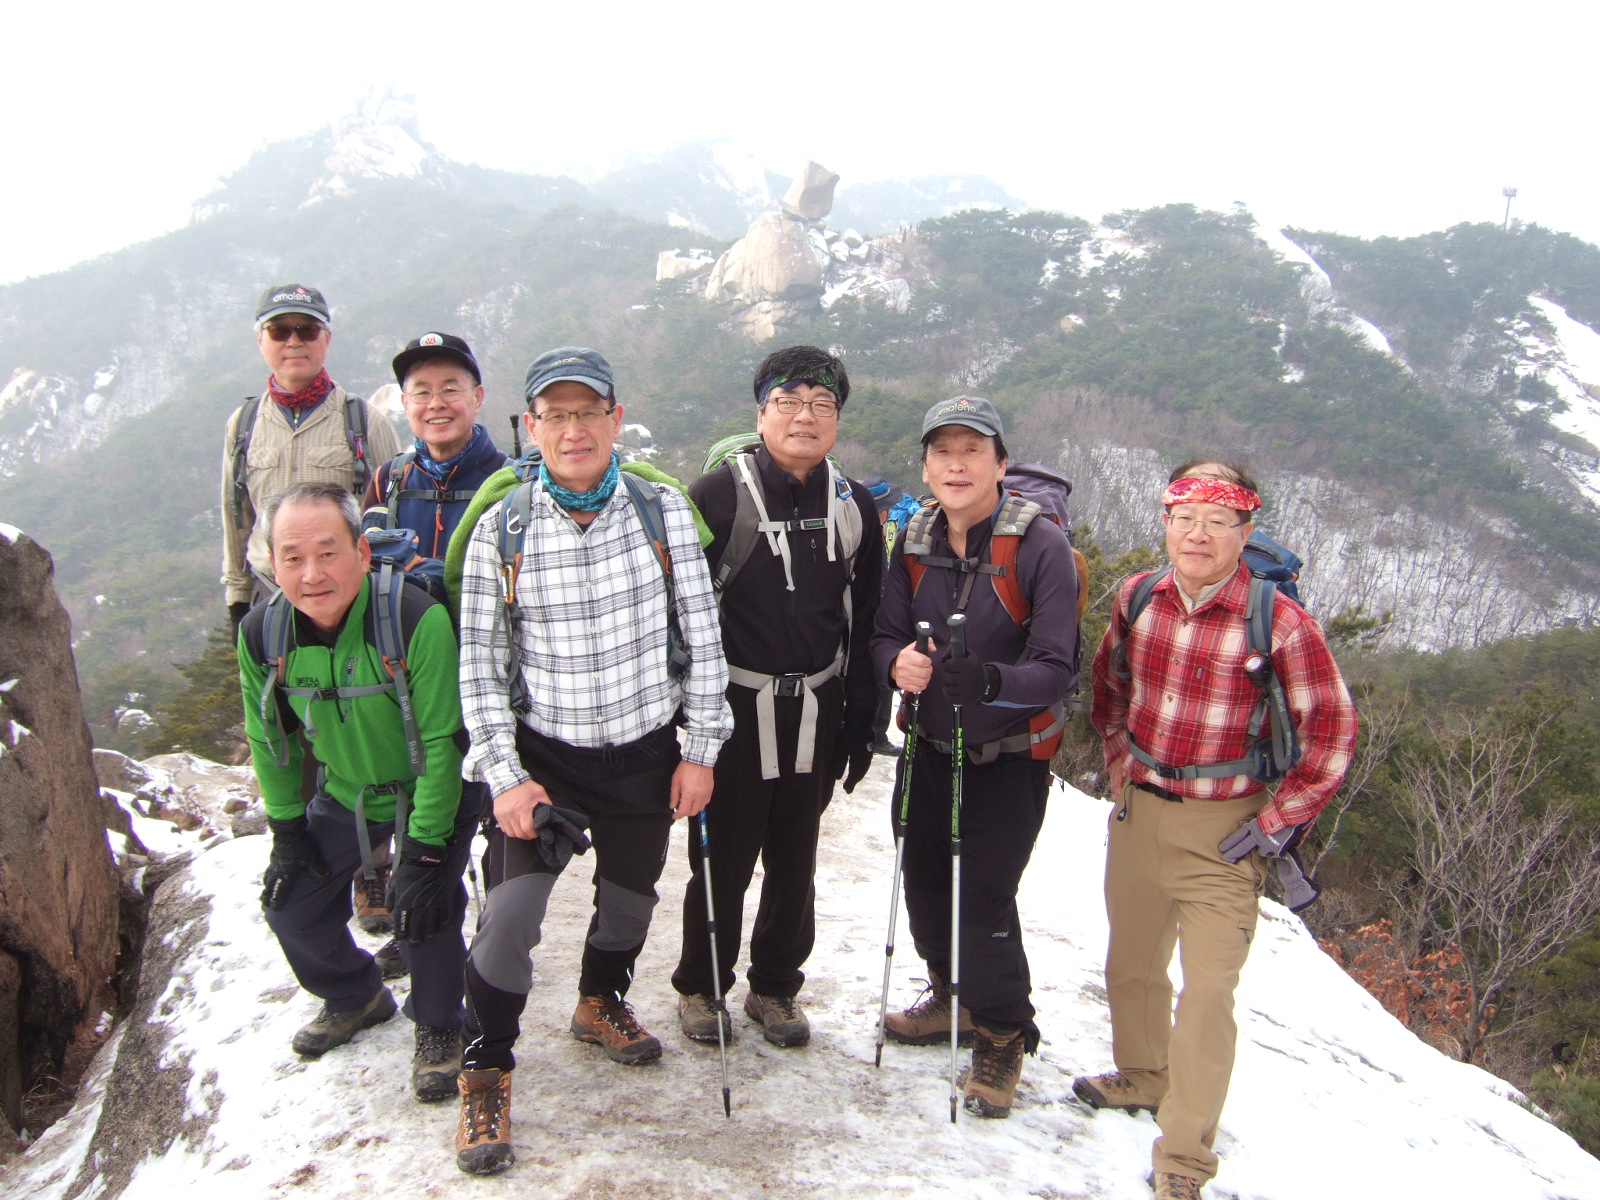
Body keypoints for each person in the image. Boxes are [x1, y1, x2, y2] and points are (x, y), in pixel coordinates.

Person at [455, 346, 732, 1175]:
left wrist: (700, 751)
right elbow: (480, 669)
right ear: (530, 426)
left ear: (616, 419)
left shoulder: (662, 511)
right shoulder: (502, 529)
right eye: (555, 415)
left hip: (645, 751)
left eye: (588, 413)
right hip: (548, 759)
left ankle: (599, 1001)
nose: (572, 430)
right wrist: (507, 777)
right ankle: (485, 1070)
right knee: (510, 918)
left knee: (629, 903)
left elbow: (704, 640)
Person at [1082, 460, 1358, 1200]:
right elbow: (1108, 687)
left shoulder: (1280, 622)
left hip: (1226, 827)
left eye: (1216, 520)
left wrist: (1274, 823)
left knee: (1206, 994)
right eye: (1184, 518)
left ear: (1245, 529)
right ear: (1166, 522)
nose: (1197, 534)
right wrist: (1119, 763)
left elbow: (1332, 732)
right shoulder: (1139, 597)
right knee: (1131, 963)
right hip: (1141, 809)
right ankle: (1144, 1074)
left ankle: (1183, 1157)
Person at [870, 396, 1079, 1119]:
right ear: (926, 466)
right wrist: (896, 663)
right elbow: (884, 632)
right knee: (925, 881)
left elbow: (1057, 667)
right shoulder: (913, 539)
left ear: (999, 463)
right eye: (942, 452)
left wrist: (991, 681)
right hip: (930, 746)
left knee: (984, 898)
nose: (956, 465)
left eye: (972, 450)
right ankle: (949, 996)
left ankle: (1001, 1033)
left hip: (1008, 757)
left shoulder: (1040, 547)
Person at [671, 346, 882, 1050]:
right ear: (761, 413)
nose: (805, 416)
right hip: (733, 709)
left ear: (837, 420)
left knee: (796, 859)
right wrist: (686, 721)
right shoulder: (715, 497)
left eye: (822, 405)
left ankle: (775, 986)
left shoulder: (853, 506)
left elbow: (867, 616)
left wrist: (863, 718)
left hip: (818, 705)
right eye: (788, 401)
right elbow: (680, 616)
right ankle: (702, 985)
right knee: (722, 858)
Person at [237, 482, 472, 1103]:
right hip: (347, 793)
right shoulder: (264, 635)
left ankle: (440, 1024)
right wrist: (287, 831)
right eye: (292, 557)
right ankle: (355, 994)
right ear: (273, 563)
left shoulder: (414, 619)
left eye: (327, 553)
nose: (311, 574)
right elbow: (269, 741)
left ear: (362, 554)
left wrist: (425, 850)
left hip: (431, 788)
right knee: (290, 905)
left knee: (425, 905)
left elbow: (443, 740)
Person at [349, 333, 509, 951]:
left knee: (490, 815)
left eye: (450, 389)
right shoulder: (389, 480)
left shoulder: (508, 480)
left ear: (477, 397)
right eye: (421, 392)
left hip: (491, 674)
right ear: (405, 404)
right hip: (411, 678)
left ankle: (492, 942)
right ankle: (424, 928)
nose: (436, 403)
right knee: (423, 805)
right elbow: (358, 572)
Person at [222, 284, 402, 631]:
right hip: (268, 592)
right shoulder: (243, 424)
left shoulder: (364, 422)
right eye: (279, 331)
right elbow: (236, 516)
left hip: (348, 597)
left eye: (307, 330)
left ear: (327, 339)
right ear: (260, 339)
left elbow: (396, 510)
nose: (293, 341)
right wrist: (237, 598)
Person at [861, 475, 908, 757]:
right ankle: (876, 734)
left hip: (865, 620)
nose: (889, 511)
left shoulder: (864, 531)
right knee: (882, 679)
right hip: (873, 621)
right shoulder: (869, 537)